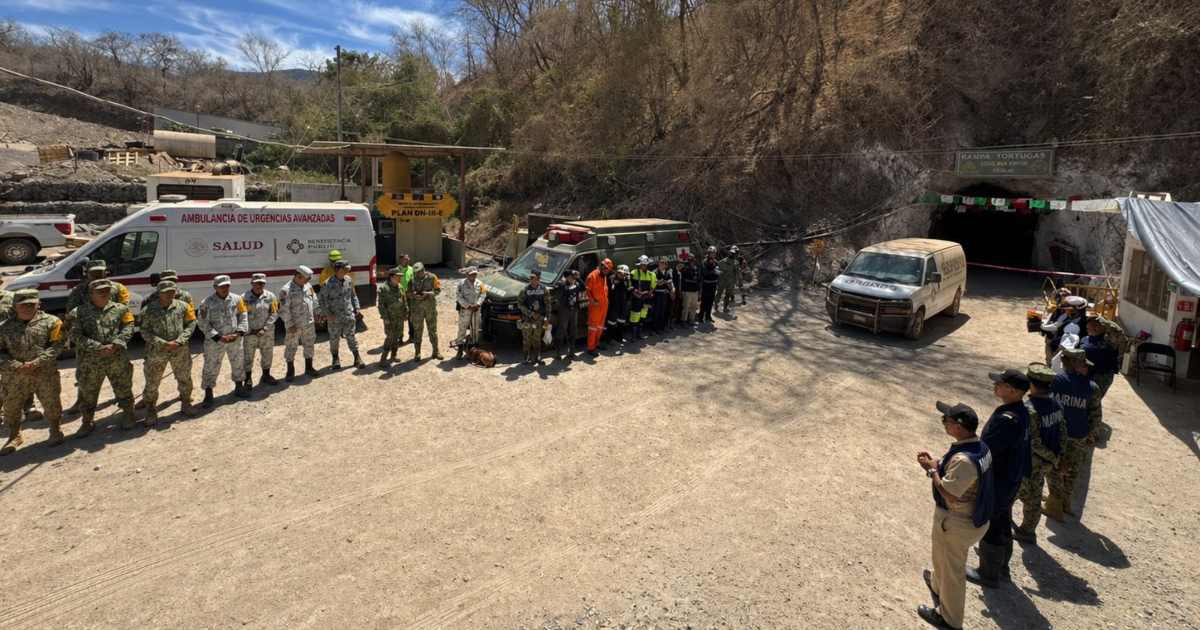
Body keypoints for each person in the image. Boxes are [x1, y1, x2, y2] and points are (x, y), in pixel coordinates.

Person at [916, 402, 993, 630]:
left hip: (957, 522)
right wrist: (939, 464)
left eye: (946, 421)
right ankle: (938, 586)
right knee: (940, 557)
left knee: (953, 571)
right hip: (967, 519)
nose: (944, 423)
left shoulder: (964, 461)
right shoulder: (980, 448)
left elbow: (949, 493)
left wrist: (931, 470)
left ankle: (949, 619)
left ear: (958, 426)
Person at [966, 368, 1032, 588]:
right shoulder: (1020, 411)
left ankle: (988, 573)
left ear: (1012, 391)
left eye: (1000, 384)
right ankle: (1001, 564)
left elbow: (989, 449)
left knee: (993, 522)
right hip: (1011, 476)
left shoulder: (1007, 419)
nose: (995, 386)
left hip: (1000, 478)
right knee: (1003, 518)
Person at [0, 289, 65, 454]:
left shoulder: (53, 322)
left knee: (51, 403)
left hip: (44, 373)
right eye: (23, 305)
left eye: (32, 304)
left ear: (39, 304)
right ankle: (15, 435)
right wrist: (16, 365)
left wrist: (38, 362)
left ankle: (55, 430)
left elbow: (58, 345)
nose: (28, 307)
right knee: (11, 406)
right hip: (14, 376)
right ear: (15, 306)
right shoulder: (4, 327)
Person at [68, 279, 136, 434]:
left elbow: (129, 326)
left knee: (123, 387)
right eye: (100, 291)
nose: (104, 293)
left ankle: (128, 414)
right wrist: (97, 346)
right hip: (91, 361)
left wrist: (117, 343)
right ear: (91, 294)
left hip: (117, 357)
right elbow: (74, 334)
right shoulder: (78, 312)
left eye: (107, 290)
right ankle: (87, 421)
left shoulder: (121, 309)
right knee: (88, 392)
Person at [63, 259, 130, 416]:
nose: (98, 275)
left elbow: (124, 312)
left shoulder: (118, 288)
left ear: (106, 271)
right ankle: (82, 400)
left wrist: (118, 340)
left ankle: (121, 399)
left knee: (120, 374)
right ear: (87, 273)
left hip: (112, 340)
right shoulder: (79, 291)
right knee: (84, 374)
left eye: (100, 272)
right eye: (94, 273)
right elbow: (71, 313)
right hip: (87, 341)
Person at [1045, 347, 1102, 521]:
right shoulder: (1092, 387)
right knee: (1072, 469)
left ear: (1066, 362)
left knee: (1053, 469)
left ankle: (1054, 505)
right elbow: (1095, 415)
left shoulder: (1054, 381)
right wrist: (1092, 435)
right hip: (1079, 436)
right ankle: (1065, 502)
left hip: (1056, 434)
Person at [1014, 363, 1067, 544]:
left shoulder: (1029, 410)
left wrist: (1053, 458)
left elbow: (1034, 443)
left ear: (1031, 384)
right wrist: (1058, 457)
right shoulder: (1057, 404)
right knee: (1033, 495)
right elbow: (1063, 432)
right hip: (1047, 462)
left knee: (1026, 496)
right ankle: (1027, 529)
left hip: (1031, 463)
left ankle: (1025, 531)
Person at [139, 280, 198, 424]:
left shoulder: (183, 306)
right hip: (157, 352)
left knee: (184, 378)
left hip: (180, 350)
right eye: (166, 292)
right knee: (152, 382)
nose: (170, 294)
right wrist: (163, 343)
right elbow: (144, 331)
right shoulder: (148, 310)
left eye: (172, 291)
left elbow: (191, 323)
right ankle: (151, 409)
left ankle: (185, 403)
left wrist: (180, 340)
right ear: (159, 293)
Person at [198, 275, 250, 408]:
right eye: (221, 286)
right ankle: (208, 394)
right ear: (215, 287)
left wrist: (238, 333)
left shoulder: (237, 299)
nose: (225, 288)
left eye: (227, 285)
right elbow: (203, 323)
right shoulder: (206, 303)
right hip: (215, 342)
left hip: (235, 339)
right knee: (211, 367)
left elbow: (243, 316)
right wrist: (218, 337)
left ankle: (239, 387)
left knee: (238, 363)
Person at [318, 261, 364, 370]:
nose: (348, 271)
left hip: (348, 315)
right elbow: (321, 301)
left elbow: (353, 295)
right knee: (334, 339)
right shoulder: (327, 284)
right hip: (334, 317)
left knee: (351, 336)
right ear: (338, 270)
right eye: (345, 269)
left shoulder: (348, 280)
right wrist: (327, 314)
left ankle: (357, 358)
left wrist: (357, 307)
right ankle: (335, 359)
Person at [278, 266, 320, 380]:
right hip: (294, 326)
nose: (308, 281)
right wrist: (290, 324)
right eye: (306, 279)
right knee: (291, 347)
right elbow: (283, 310)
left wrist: (318, 313)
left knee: (309, 344)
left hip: (308, 323)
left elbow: (314, 299)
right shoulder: (286, 290)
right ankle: (290, 371)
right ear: (298, 276)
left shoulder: (308, 286)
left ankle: (309, 368)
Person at [243, 273, 280, 387]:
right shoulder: (243, 298)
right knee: (248, 356)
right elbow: (241, 316)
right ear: (252, 283)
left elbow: (274, 313)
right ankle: (248, 379)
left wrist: (264, 328)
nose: (259, 285)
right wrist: (250, 330)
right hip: (250, 334)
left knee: (267, 354)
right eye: (257, 283)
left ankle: (266, 375)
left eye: (262, 283)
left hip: (266, 332)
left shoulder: (271, 296)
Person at [408, 262, 442, 361]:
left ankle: (436, 351)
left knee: (433, 331)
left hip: (430, 309)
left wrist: (427, 294)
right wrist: (413, 295)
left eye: (418, 272)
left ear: (423, 270)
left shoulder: (432, 277)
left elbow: (438, 290)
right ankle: (417, 353)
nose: (417, 274)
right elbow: (408, 293)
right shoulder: (412, 279)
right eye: (416, 272)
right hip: (417, 310)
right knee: (417, 331)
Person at [377, 267, 410, 366]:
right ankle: (383, 359)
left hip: (399, 317)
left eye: (400, 276)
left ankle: (393, 356)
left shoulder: (400, 287)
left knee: (397, 336)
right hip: (390, 318)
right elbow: (381, 305)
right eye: (397, 276)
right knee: (390, 337)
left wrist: (406, 312)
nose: (399, 278)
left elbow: (404, 300)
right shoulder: (383, 288)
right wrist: (385, 318)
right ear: (391, 277)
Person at [1041, 294, 1086, 365]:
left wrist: (1053, 358)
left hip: (1059, 354)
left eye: (1068, 310)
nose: (1066, 311)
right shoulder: (1071, 318)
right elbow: (1057, 325)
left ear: (1075, 311)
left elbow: (1064, 347)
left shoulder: (1075, 326)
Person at [517, 269, 550, 365]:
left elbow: (548, 304)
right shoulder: (525, 290)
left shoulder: (544, 289)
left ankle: (537, 357)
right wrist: (530, 313)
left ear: (539, 279)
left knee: (537, 338)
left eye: (534, 278)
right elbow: (519, 304)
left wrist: (547, 317)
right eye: (530, 278)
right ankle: (526, 358)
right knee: (527, 339)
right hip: (527, 319)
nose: (531, 279)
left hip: (539, 319)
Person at [455, 267, 486, 360]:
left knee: (475, 329)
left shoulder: (480, 283)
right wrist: (468, 306)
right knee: (462, 328)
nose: (473, 275)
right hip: (465, 310)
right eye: (471, 274)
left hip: (476, 310)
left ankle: (473, 349)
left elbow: (483, 294)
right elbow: (458, 296)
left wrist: (478, 304)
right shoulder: (461, 284)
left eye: (475, 274)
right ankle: (460, 348)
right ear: (467, 274)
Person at [554, 269, 584, 361]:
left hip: (574, 310)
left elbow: (584, 287)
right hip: (564, 311)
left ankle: (571, 352)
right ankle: (558, 353)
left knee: (573, 331)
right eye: (571, 276)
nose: (573, 278)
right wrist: (568, 283)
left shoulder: (576, 284)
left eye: (573, 276)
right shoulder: (562, 285)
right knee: (561, 331)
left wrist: (578, 278)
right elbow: (563, 293)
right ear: (567, 277)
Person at [585, 258, 612, 356]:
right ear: (601, 266)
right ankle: (591, 348)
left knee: (600, 326)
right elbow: (587, 291)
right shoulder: (592, 276)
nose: (606, 270)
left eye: (607, 269)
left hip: (604, 305)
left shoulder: (603, 275)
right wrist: (593, 301)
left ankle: (596, 344)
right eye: (604, 268)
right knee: (593, 327)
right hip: (595, 306)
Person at [628, 256, 656, 340]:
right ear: (639, 264)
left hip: (646, 299)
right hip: (636, 299)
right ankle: (633, 335)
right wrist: (635, 293)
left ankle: (639, 334)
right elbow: (629, 285)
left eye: (645, 264)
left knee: (643, 316)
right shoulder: (633, 273)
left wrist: (649, 293)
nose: (643, 266)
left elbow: (653, 286)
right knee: (634, 317)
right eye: (642, 264)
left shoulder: (651, 274)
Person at [606, 264, 630, 346]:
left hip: (623, 303)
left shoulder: (626, 280)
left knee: (622, 321)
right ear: (617, 272)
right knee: (611, 322)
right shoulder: (611, 279)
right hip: (614, 304)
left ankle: (619, 337)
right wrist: (616, 283)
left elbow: (627, 291)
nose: (623, 275)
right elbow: (610, 291)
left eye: (625, 274)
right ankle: (609, 339)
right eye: (621, 273)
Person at [652, 256, 676, 335]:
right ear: (658, 263)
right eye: (662, 262)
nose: (664, 264)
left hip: (665, 295)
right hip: (657, 294)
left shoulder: (667, 272)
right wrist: (664, 282)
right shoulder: (654, 272)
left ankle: (661, 327)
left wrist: (672, 290)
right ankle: (655, 329)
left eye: (665, 263)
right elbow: (656, 283)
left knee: (663, 311)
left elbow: (670, 282)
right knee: (656, 312)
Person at [678, 251, 701, 326]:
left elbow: (698, 278)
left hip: (695, 290)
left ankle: (691, 320)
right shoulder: (684, 267)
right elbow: (683, 278)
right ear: (688, 260)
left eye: (693, 259)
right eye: (690, 259)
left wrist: (699, 290)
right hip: (687, 290)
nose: (692, 261)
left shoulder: (696, 267)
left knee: (694, 307)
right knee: (686, 307)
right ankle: (683, 321)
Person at [700, 252, 721, 323]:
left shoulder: (716, 262)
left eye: (714, 253)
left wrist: (716, 273)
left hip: (713, 283)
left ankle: (708, 316)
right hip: (706, 284)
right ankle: (701, 316)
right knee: (704, 301)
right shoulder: (704, 261)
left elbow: (717, 272)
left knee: (711, 301)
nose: (713, 255)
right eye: (711, 253)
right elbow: (705, 272)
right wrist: (713, 271)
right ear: (708, 254)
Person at [717, 246, 739, 314]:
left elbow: (736, 273)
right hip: (724, 281)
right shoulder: (722, 262)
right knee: (721, 294)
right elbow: (717, 271)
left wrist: (736, 281)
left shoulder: (735, 262)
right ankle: (719, 306)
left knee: (725, 295)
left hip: (728, 281)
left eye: (734, 253)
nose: (733, 254)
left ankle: (724, 307)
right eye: (732, 253)